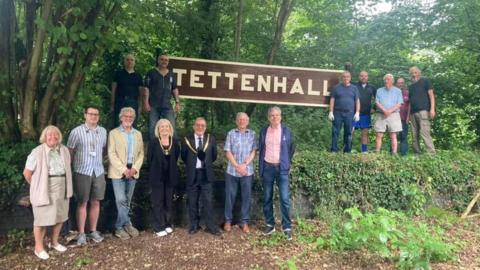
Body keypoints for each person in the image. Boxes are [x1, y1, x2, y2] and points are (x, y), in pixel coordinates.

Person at [23, 126, 73, 260]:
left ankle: (54, 242)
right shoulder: (37, 152)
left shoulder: (64, 150)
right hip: (44, 188)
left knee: (60, 216)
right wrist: (37, 186)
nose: (53, 137)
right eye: (49, 135)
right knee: (41, 219)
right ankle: (38, 248)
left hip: (62, 186)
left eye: (56, 135)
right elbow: (27, 173)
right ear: (44, 137)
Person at [67, 106, 107, 245]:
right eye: (90, 114)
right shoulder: (76, 132)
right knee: (82, 202)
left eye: (96, 114)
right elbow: (70, 152)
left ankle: (93, 231)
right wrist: (69, 170)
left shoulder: (102, 131)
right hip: (82, 171)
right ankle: (81, 233)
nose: (93, 117)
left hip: (98, 171)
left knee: (96, 201)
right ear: (85, 115)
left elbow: (103, 150)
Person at [258, 107, 295, 240]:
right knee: (267, 197)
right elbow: (261, 149)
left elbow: (291, 148)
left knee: (284, 199)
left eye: (277, 115)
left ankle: (287, 227)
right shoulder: (263, 131)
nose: (275, 117)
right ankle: (270, 224)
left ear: (281, 117)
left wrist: (287, 163)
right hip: (268, 168)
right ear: (269, 117)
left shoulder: (286, 131)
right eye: (272, 115)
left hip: (282, 169)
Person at [108, 107, 144, 240]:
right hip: (118, 171)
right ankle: (120, 226)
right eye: (126, 116)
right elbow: (111, 153)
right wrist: (123, 169)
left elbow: (141, 153)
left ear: (133, 119)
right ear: (121, 117)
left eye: (131, 117)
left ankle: (125, 225)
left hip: (133, 171)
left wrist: (134, 168)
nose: (128, 119)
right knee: (121, 199)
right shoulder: (113, 133)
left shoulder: (138, 134)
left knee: (127, 201)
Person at [181, 117, 220, 236]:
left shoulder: (210, 139)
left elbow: (214, 156)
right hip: (192, 173)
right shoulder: (186, 140)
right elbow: (184, 157)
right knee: (192, 201)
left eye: (202, 125)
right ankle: (194, 225)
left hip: (206, 174)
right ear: (193, 126)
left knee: (208, 201)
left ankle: (210, 226)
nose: (200, 127)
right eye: (197, 125)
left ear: (205, 127)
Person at [223, 112, 257, 233]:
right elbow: (227, 151)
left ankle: (244, 222)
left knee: (246, 197)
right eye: (240, 119)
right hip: (232, 171)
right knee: (229, 197)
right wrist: (237, 166)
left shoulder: (252, 134)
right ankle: (228, 221)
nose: (242, 121)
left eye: (244, 119)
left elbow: (253, 152)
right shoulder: (231, 133)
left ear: (247, 121)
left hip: (247, 171)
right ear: (236, 121)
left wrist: (244, 165)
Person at [147, 119, 180, 237]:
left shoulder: (175, 142)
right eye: (162, 127)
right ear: (158, 129)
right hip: (157, 177)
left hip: (170, 176)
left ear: (170, 128)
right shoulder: (153, 142)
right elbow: (149, 159)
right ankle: (158, 226)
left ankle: (167, 224)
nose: (164, 129)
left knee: (168, 201)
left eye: (167, 126)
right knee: (158, 202)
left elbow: (176, 157)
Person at [144, 54, 181, 140]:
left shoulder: (171, 74)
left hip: (167, 106)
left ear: (168, 62)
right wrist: (146, 103)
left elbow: (174, 89)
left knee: (172, 129)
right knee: (153, 129)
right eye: (162, 59)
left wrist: (177, 103)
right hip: (153, 105)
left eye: (166, 60)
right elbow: (146, 88)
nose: (164, 61)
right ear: (158, 61)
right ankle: (152, 150)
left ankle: (174, 151)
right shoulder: (151, 73)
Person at [328, 71, 361, 153]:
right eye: (344, 77)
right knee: (335, 132)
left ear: (350, 78)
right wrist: (331, 111)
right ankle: (334, 150)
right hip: (337, 113)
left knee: (348, 133)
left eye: (347, 77)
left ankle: (347, 151)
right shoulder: (336, 88)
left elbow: (357, 101)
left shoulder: (354, 88)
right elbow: (332, 99)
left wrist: (357, 112)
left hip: (350, 113)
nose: (345, 78)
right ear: (341, 78)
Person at [111, 54, 144, 127]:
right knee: (117, 123)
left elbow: (141, 92)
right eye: (127, 60)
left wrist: (140, 105)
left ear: (134, 62)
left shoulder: (138, 76)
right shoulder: (118, 73)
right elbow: (113, 89)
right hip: (120, 101)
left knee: (132, 124)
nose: (129, 61)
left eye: (132, 60)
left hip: (133, 102)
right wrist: (112, 104)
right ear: (124, 61)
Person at [408, 66, 436, 153]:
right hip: (412, 113)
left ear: (419, 73)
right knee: (414, 135)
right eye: (412, 73)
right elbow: (409, 102)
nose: (414, 74)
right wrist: (408, 115)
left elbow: (431, 96)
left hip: (423, 111)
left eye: (415, 72)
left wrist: (432, 109)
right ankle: (417, 153)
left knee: (425, 133)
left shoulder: (425, 81)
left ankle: (431, 154)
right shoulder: (411, 86)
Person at [374, 74, 404, 154]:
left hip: (394, 115)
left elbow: (399, 103)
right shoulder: (379, 90)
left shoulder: (398, 91)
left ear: (392, 81)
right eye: (385, 79)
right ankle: (377, 153)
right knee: (379, 134)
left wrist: (389, 111)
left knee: (393, 135)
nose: (386, 81)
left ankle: (394, 153)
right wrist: (384, 110)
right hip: (381, 114)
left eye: (388, 79)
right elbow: (377, 102)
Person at [353, 71, 376, 153]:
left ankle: (364, 151)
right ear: (359, 77)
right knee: (350, 131)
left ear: (368, 77)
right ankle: (347, 149)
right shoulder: (354, 85)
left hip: (366, 113)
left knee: (365, 133)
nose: (363, 77)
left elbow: (378, 99)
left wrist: (375, 108)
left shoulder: (372, 87)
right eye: (362, 76)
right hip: (354, 113)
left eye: (365, 76)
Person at [396, 77, 410, 155]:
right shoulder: (393, 92)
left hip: (404, 118)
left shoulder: (407, 93)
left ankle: (403, 154)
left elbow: (410, 105)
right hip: (394, 118)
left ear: (404, 84)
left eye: (402, 83)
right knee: (394, 136)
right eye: (399, 83)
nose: (400, 84)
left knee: (403, 136)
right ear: (396, 84)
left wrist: (408, 116)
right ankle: (393, 152)